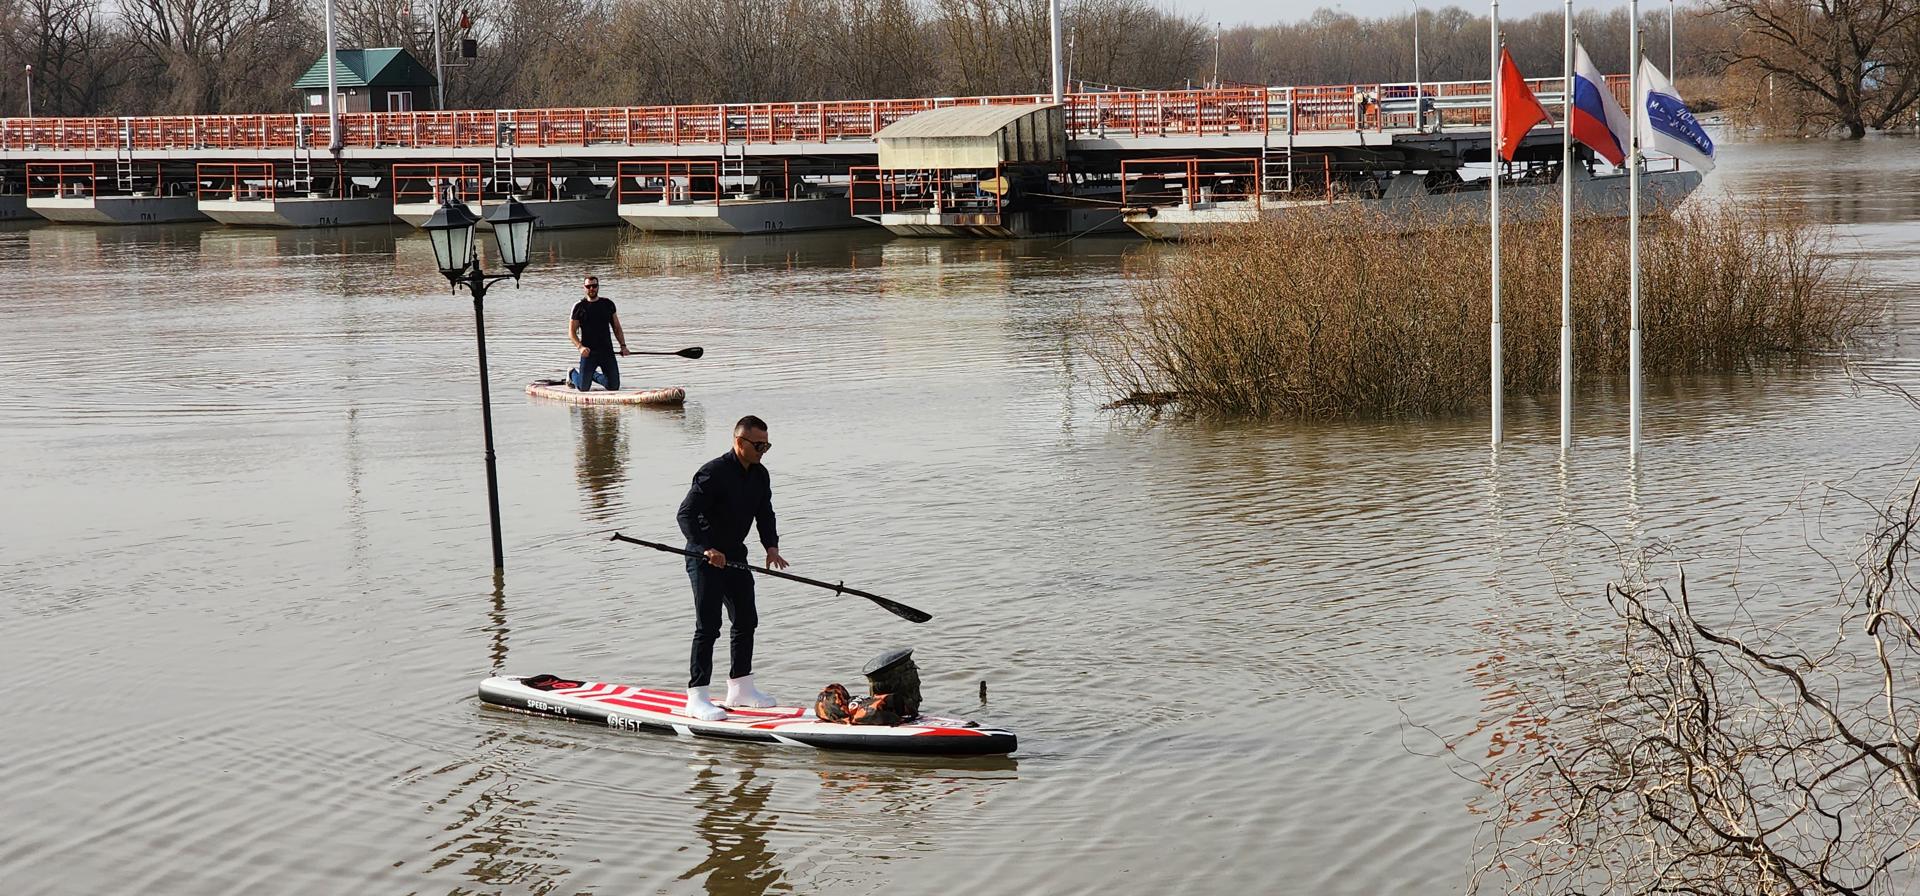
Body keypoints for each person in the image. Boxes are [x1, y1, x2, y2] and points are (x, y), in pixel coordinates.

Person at [675, 415, 789, 721]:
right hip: (705, 559)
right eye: (758, 445)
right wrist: (705, 549)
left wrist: (771, 547)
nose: (763, 450)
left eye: (767, 445)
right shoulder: (713, 473)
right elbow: (685, 515)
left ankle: (741, 688)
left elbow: (765, 512)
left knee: (746, 620)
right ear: (739, 442)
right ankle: (697, 696)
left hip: (736, 556)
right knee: (708, 626)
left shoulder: (760, 475)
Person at [569, 275, 628, 391]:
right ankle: (572, 373)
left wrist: (623, 346)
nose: (592, 288)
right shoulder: (579, 307)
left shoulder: (608, 304)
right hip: (588, 353)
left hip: (607, 351)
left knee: (613, 387)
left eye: (594, 286)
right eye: (588, 286)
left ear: (598, 287)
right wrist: (580, 347)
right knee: (583, 388)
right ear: (584, 288)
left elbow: (617, 328)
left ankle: (593, 375)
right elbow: (571, 333)